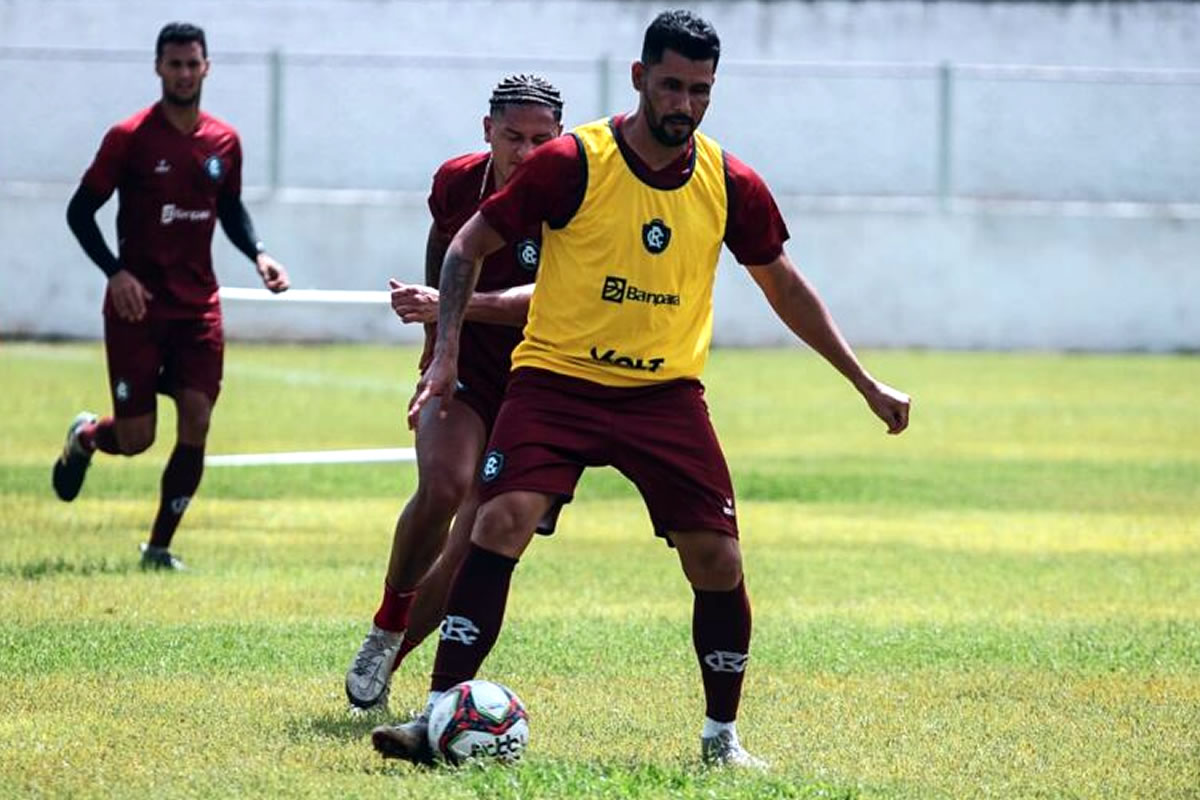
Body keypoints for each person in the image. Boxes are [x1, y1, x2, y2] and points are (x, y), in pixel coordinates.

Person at [370, 9, 912, 768]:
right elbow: (468, 244)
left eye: (698, 90)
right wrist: (446, 351)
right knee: (500, 522)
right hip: (556, 381)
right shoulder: (574, 161)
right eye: (669, 86)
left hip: (664, 397)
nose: (682, 105)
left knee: (717, 560)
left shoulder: (730, 180)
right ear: (639, 79)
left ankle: (722, 740)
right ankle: (437, 717)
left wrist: (862, 380)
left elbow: (783, 286)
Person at [344, 75, 564, 711]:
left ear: (560, 139)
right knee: (442, 486)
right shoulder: (456, 181)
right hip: (464, 364)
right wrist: (440, 343)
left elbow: (545, 299)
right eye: (513, 136)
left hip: (540, 376)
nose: (526, 151)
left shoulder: (570, 193)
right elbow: (446, 252)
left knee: (476, 538)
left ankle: (401, 661)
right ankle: (387, 623)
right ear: (486, 131)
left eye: (541, 139)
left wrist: (452, 307)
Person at [54, 22, 290, 570]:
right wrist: (115, 273)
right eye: (174, 64)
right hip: (138, 308)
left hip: (197, 307)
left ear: (207, 67)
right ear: (158, 68)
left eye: (193, 63)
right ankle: (88, 437)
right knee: (136, 439)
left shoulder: (224, 141)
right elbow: (79, 212)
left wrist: (258, 253)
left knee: (198, 419)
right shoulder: (129, 137)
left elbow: (229, 208)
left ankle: (158, 547)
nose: (184, 73)